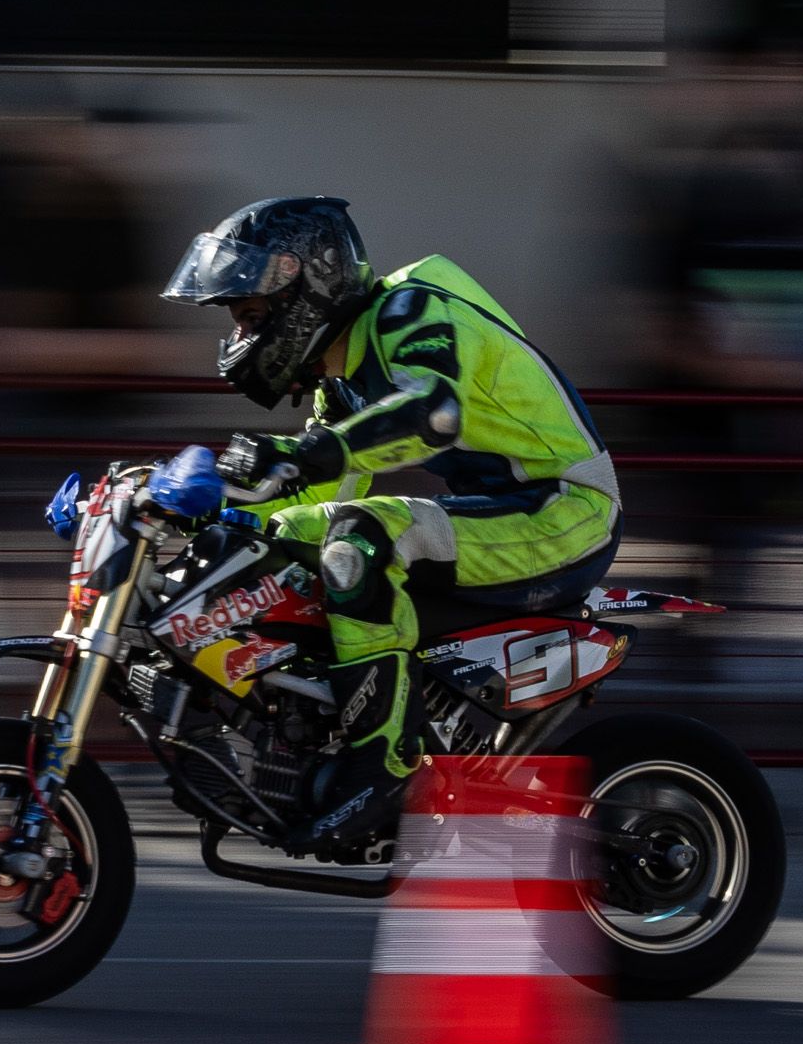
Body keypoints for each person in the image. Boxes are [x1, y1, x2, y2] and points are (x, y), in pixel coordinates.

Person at [162, 195, 620, 852]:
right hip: (502, 513)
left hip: (565, 510)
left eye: (252, 314)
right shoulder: (341, 377)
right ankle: (299, 737)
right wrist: (201, 509)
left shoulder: (411, 311)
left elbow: (429, 413)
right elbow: (306, 490)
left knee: (361, 536)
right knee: (288, 538)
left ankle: (385, 764)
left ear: (308, 285)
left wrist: (302, 452)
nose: (241, 335)